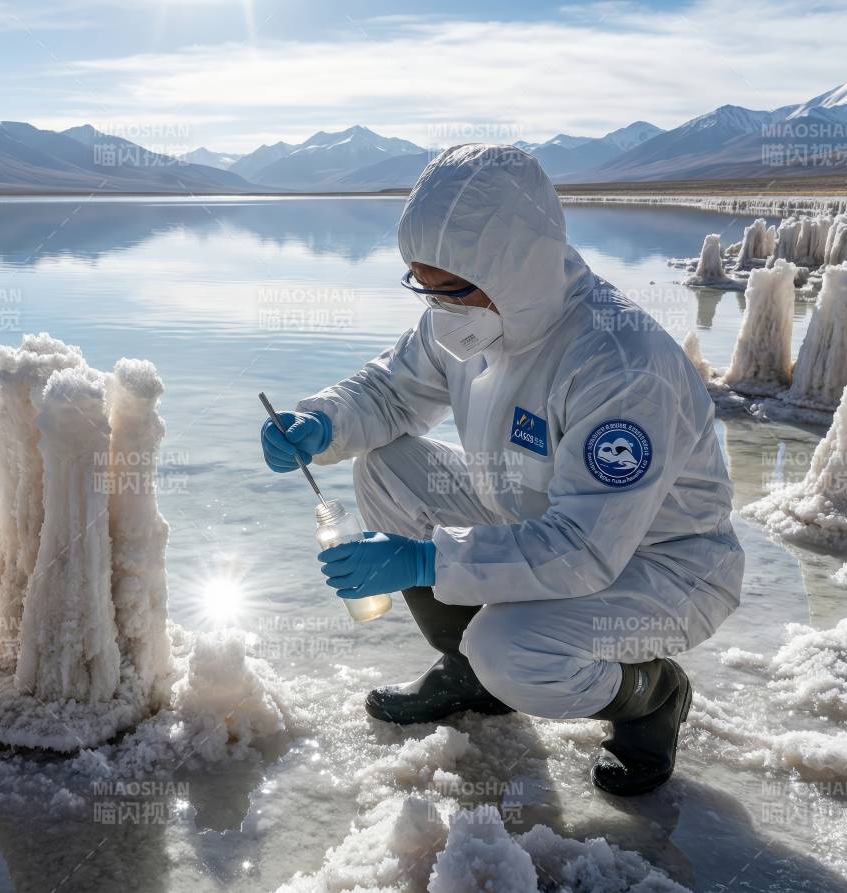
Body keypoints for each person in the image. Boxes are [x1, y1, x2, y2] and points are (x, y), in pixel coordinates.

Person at [259, 144, 743, 796]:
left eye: (450, 287)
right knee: (386, 467)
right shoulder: (466, 317)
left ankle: (651, 694)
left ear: (515, 267)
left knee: (510, 649)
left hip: (659, 562)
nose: (437, 306)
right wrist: (320, 425)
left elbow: (582, 548)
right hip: (527, 504)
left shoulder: (618, 363)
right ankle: (465, 675)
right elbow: (389, 392)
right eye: (422, 285)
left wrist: (428, 560)